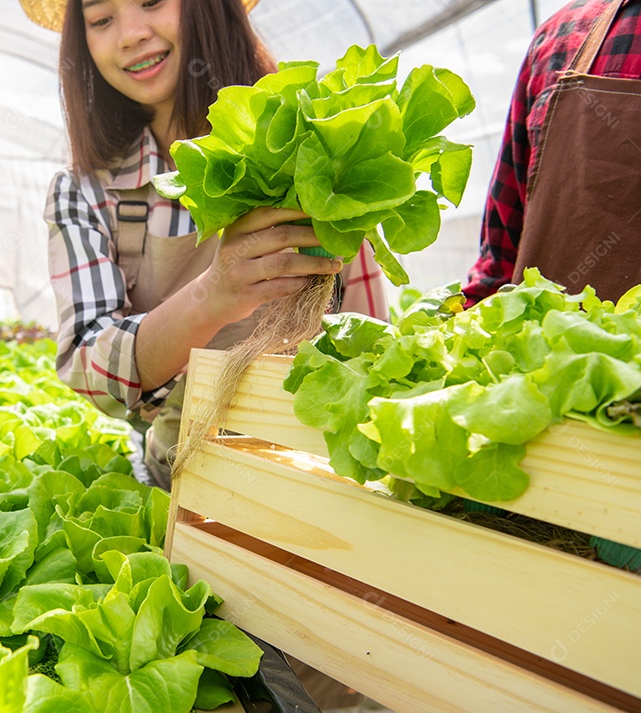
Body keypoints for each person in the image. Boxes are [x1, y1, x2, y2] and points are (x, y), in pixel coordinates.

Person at [20, 0, 388, 489]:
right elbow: (92, 368)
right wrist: (211, 296)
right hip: (180, 476)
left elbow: (371, 336)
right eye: (101, 19)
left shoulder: (314, 150)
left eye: (151, 1)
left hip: (323, 475)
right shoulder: (86, 191)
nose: (130, 35)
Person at [463, 0, 641, 305]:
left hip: (549, 347)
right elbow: (501, 256)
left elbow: (498, 262)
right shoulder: (562, 34)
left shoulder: (561, 32)